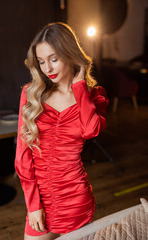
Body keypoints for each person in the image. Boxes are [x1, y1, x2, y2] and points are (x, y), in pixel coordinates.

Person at [15, 22, 109, 240]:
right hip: (40, 199)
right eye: (41, 62)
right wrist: (33, 205)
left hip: (76, 199)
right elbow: (22, 155)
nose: (47, 69)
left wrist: (79, 86)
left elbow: (91, 131)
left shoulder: (96, 96)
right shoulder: (31, 93)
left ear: (70, 55)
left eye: (54, 59)